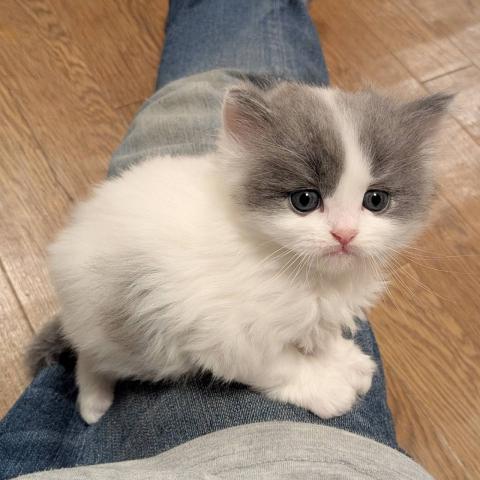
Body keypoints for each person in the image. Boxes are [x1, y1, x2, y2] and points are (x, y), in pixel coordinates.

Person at [0, 1, 433, 478]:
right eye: (306, 200)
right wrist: (298, 380)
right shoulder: (241, 265)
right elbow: (225, 350)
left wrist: (326, 348)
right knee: (111, 355)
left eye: (375, 201)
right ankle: (90, 364)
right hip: (123, 338)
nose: (346, 231)